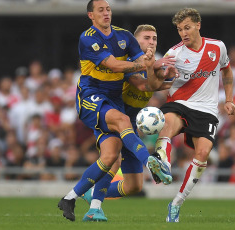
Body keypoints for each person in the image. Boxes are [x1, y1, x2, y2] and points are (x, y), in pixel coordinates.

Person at [58, 0, 172, 222]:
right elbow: (115, 66)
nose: (106, 13)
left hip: (116, 105)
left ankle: (72, 198)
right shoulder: (88, 37)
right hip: (91, 96)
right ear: (91, 15)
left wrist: (167, 75)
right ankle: (150, 162)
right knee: (121, 125)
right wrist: (152, 65)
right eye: (100, 10)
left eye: (108, 9)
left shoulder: (125, 37)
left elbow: (149, 82)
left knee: (113, 159)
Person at [81, 24, 178, 222]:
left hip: (131, 123)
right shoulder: (126, 60)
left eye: (154, 38)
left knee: (134, 186)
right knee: (113, 158)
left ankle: (91, 191)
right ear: (135, 42)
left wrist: (173, 78)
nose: (151, 42)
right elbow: (144, 85)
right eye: (146, 38)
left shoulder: (155, 64)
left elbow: (154, 83)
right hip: (114, 116)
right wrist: (155, 69)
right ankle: (94, 208)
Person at [153, 8, 235, 222]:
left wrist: (228, 99)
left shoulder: (217, 47)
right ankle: (163, 163)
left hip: (207, 110)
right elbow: (156, 84)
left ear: (198, 25)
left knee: (203, 154)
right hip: (179, 103)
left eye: (187, 28)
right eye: (180, 29)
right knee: (167, 126)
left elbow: (226, 70)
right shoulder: (174, 54)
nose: (183, 33)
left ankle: (177, 202)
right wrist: (165, 76)